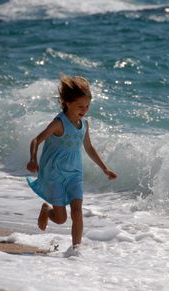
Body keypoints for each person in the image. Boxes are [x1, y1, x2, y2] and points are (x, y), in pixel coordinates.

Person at [26, 75, 117, 248]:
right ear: (68, 103)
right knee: (61, 219)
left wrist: (105, 169)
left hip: (75, 174)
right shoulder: (59, 123)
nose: (84, 110)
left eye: (87, 106)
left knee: (77, 212)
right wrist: (32, 158)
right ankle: (46, 210)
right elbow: (36, 140)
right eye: (80, 106)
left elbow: (89, 148)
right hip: (55, 174)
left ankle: (76, 250)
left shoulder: (84, 124)